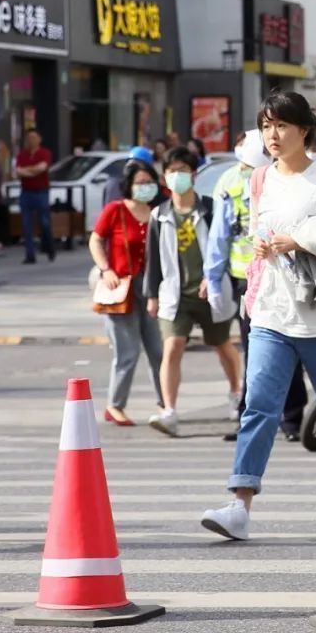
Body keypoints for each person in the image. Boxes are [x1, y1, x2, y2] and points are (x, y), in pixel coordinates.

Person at [200, 91, 316, 540]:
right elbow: (262, 235)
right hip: (272, 313)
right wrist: (263, 247)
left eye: (281, 126)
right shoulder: (259, 180)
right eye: (266, 126)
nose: (272, 136)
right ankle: (240, 503)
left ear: (304, 131)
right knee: (258, 406)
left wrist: (296, 240)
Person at [205, 130, 310, 443]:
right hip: (248, 279)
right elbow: (219, 234)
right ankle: (253, 419)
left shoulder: (287, 176)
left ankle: (290, 418)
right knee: (258, 350)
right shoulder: (231, 183)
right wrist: (212, 278)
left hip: (285, 273)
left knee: (286, 345)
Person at [144, 147, 240, 437]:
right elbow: (153, 258)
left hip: (209, 290)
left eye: (183, 171)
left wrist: (216, 277)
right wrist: (152, 295)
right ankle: (169, 411)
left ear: (194, 174)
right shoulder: (159, 215)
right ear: (164, 177)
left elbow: (226, 245)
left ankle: (237, 393)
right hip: (176, 294)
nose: (177, 177)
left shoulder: (210, 209)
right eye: (172, 171)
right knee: (172, 348)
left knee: (222, 344)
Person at [88, 161, 165, 426]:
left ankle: (166, 403)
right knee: (127, 352)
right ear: (129, 185)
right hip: (121, 288)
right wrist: (105, 269)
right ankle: (115, 405)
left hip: (153, 288)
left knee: (158, 351)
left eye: (149, 182)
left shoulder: (158, 212)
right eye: (140, 183)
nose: (145, 187)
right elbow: (95, 239)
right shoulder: (116, 210)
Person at [15, 129, 56, 264]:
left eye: (34, 137)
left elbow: (42, 168)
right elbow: (18, 171)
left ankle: (49, 248)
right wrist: (33, 170)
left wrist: (27, 170)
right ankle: (30, 255)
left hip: (41, 192)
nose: (31, 140)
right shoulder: (22, 155)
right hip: (26, 192)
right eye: (29, 138)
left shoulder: (45, 153)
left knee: (44, 222)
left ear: (39, 139)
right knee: (26, 225)